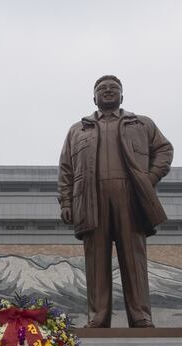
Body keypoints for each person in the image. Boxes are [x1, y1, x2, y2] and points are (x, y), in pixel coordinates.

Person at [59, 75, 173, 328]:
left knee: (134, 257)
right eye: (102, 88)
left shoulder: (141, 124)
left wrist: (149, 178)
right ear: (94, 98)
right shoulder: (78, 130)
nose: (108, 91)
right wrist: (66, 202)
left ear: (122, 96)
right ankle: (98, 316)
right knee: (96, 260)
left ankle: (140, 314)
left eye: (114, 88)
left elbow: (164, 150)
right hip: (91, 198)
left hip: (130, 196)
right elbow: (66, 168)